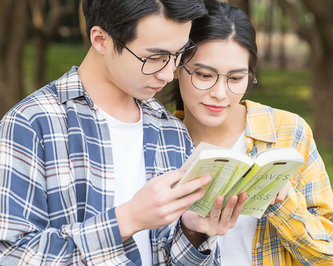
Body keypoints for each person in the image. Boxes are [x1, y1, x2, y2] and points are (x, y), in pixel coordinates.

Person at [0, 0, 246, 265]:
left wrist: (193, 233)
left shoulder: (170, 130)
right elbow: (11, 255)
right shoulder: (32, 124)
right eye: (155, 58)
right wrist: (127, 219)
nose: (169, 73)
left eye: (179, 55)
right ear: (101, 39)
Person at [170, 0, 333, 264]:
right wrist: (192, 231)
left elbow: (330, 252)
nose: (220, 94)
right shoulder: (157, 138)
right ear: (176, 66)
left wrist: (282, 201)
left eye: (235, 78)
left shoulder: (288, 132)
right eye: (204, 75)